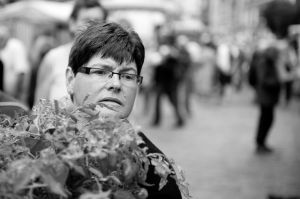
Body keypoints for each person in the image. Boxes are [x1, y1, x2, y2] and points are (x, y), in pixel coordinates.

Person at [65, 21, 183, 199]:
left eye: (128, 76)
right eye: (100, 72)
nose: (115, 84)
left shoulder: (155, 171)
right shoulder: (35, 149)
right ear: (70, 80)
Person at [34, 0, 108, 104]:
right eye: (86, 21)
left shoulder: (110, 61)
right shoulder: (53, 58)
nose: (92, 27)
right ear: (72, 24)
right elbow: (39, 107)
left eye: (98, 22)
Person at [249, 45, 281, 154]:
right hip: (265, 96)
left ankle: (262, 142)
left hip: (269, 96)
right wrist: (276, 82)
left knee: (268, 119)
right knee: (265, 120)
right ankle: (260, 143)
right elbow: (262, 80)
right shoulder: (264, 63)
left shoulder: (269, 63)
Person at [0, 25, 30, 104]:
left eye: (2, 38)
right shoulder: (2, 48)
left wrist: (14, 96)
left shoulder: (16, 46)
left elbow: (21, 72)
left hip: (14, 96)